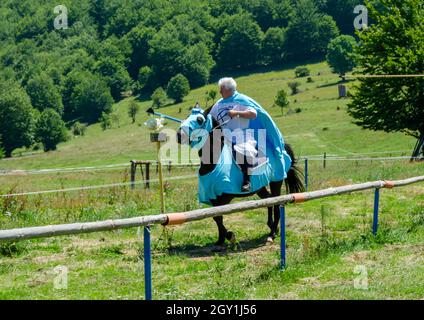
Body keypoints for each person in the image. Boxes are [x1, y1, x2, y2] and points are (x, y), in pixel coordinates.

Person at [209, 78, 259, 192]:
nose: (220, 92)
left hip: (242, 136)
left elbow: (253, 114)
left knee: (243, 150)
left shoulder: (241, 99)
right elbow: (209, 118)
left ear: (228, 89)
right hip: (223, 135)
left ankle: (247, 180)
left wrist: (236, 113)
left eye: (221, 89)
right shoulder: (218, 103)